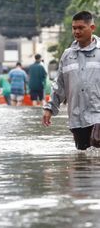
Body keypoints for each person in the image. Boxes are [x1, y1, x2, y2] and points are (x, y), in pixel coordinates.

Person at [42, 11, 100, 150]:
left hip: (98, 115)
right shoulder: (68, 55)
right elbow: (60, 85)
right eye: (74, 28)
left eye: (81, 28)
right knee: (82, 159)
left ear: (92, 28)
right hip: (77, 118)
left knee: (96, 150)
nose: (77, 31)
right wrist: (50, 108)